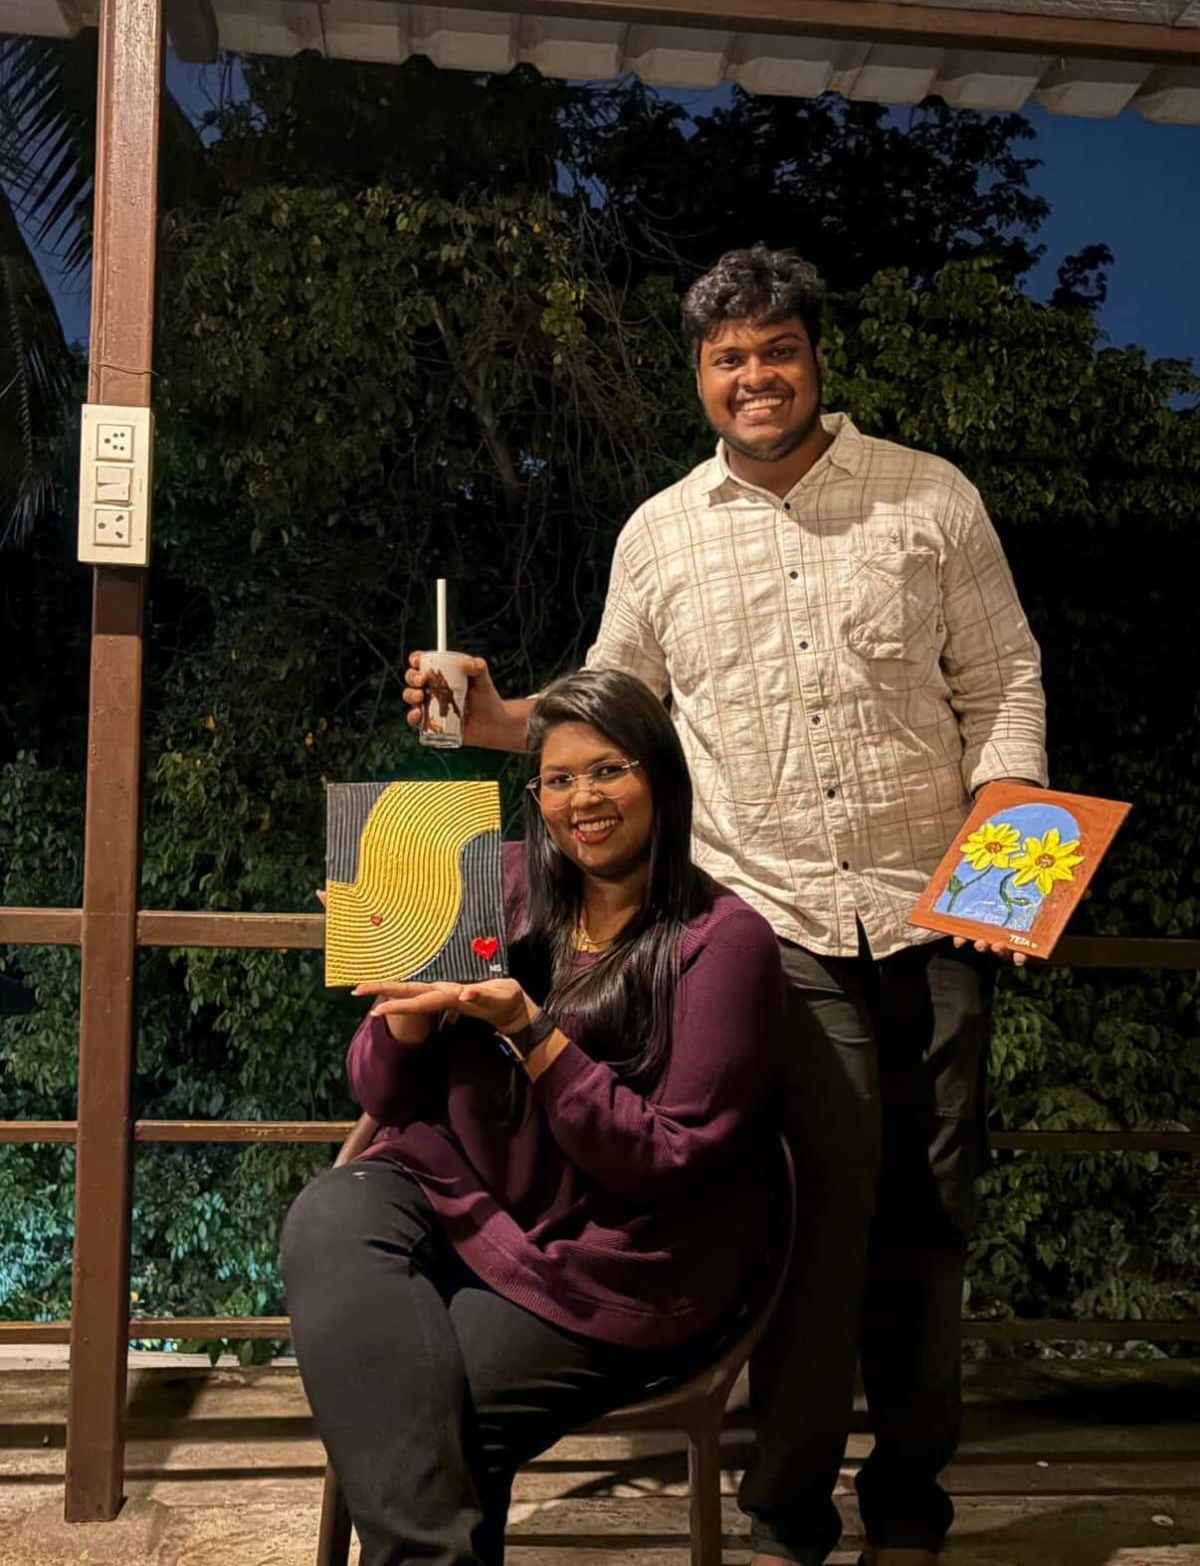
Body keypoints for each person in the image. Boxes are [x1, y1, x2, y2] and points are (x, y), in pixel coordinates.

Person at [402, 247, 1049, 1565]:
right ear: (699, 376)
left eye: (777, 350)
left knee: (930, 1221)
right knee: (814, 1215)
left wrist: (1007, 843)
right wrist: (495, 717)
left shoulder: (930, 497)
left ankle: (911, 1510)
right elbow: (608, 715)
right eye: (728, 358)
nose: (756, 376)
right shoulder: (661, 532)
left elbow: (1005, 683)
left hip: (942, 913)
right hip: (768, 927)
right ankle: (785, 1516)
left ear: (815, 356)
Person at [282, 667, 785, 1566]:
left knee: (430, 1421)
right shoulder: (497, 879)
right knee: (329, 1215)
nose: (582, 799)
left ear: (662, 778)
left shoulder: (722, 941)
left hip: (618, 1253)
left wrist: (528, 1027)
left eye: (608, 770)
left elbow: (664, 1161)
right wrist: (406, 1010)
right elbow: (384, 1095)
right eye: (558, 779)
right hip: (462, 1192)